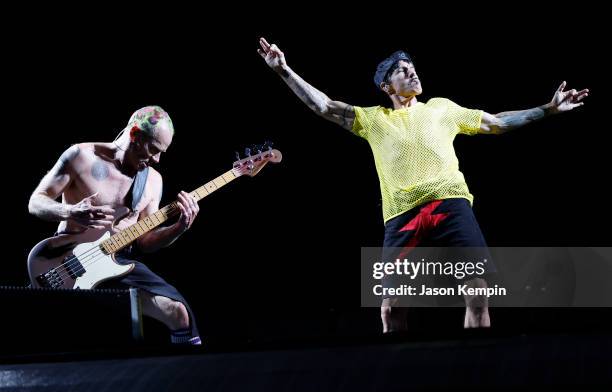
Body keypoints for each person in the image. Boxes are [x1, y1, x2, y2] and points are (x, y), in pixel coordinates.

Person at [257, 38, 588, 332]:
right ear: (387, 87)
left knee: (477, 291)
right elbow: (324, 106)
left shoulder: (441, 108)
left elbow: (497, 122)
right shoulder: (374, 119)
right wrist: (284, 70)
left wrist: (549, 109)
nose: (411, 71)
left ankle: (479, 370)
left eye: (412, 66)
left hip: (450, 204)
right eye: (402, 70)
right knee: (391, 309)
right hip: (402, 216)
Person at [28, 105, 202, 345]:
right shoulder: (80, 156)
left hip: (117, 264)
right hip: (67, 265)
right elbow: (36, 202)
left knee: (179, 313)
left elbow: (146, 242)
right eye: (153, 149)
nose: (157, 159)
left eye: (163, 152)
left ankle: (187, 376)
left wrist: (179, 227)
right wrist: (70, 211)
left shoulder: (153, 181)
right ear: (134, 136)